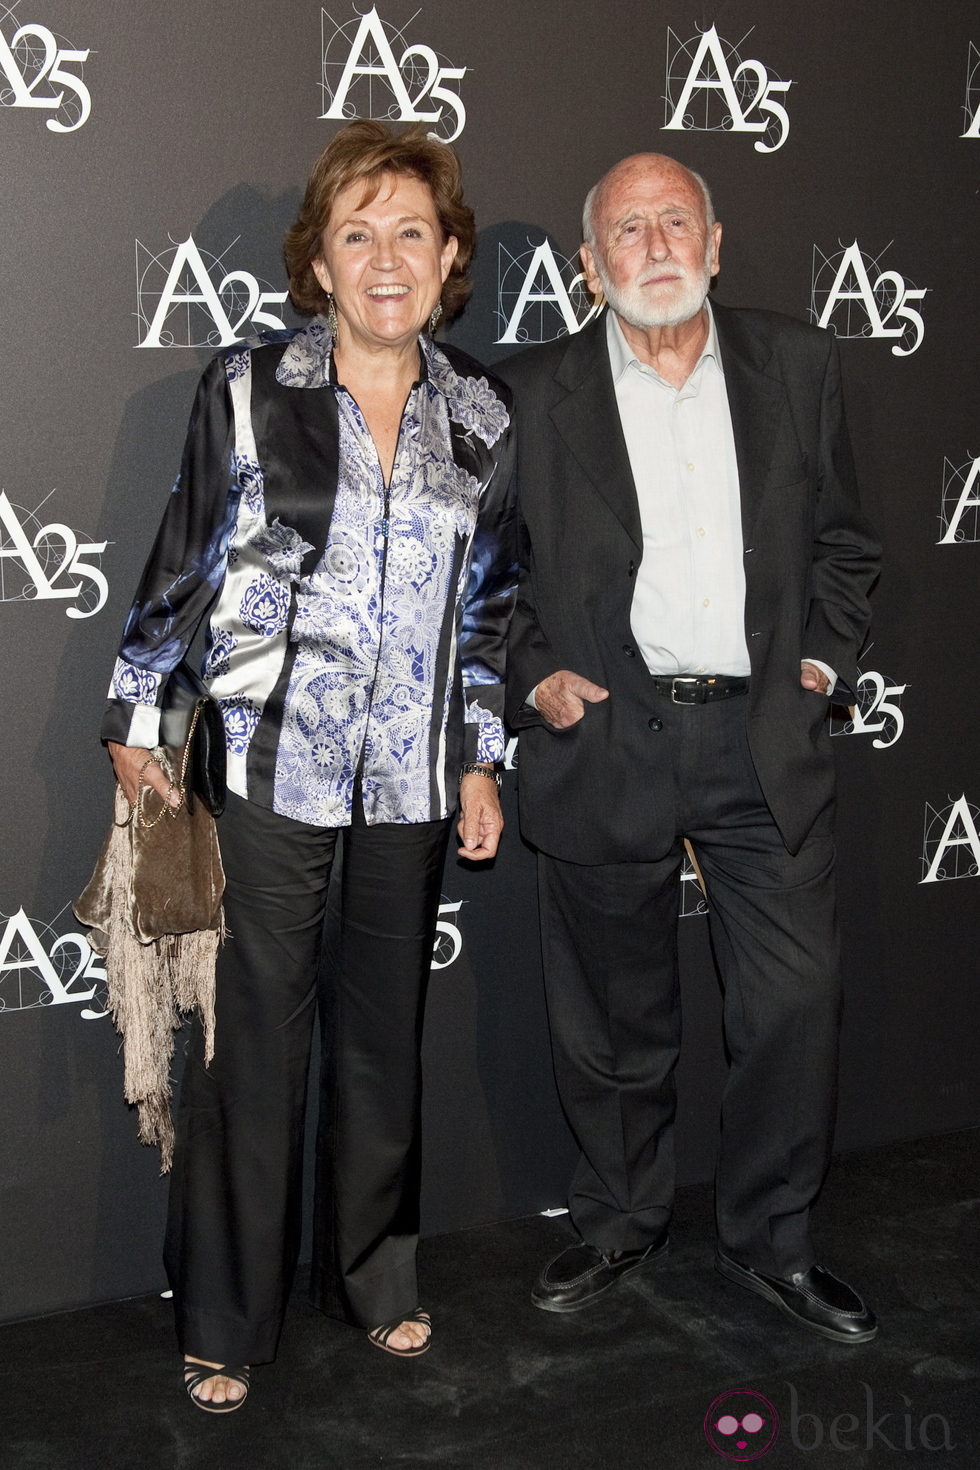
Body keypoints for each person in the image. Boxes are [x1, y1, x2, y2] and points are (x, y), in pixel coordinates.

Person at [103, 120, 516, 1409]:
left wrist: (478, 761)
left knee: (382, 1039)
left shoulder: (484, 412)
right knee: (251, 1051)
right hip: (269, 765)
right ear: (319, 264)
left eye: (411, 233)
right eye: (357, 234)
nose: (385, 258)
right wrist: (137, 712)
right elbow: (183, 558)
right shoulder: (247, 387)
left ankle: (373, 1274)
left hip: (407, 786)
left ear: (447, 259)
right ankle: (225, 1313)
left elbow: (488, 613)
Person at [499, 153, 881, 1343]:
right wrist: (530, 678)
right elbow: (486, 578)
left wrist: (817, 666)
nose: (654, 244)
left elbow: (843, 545)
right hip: (607, 731)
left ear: (714, 244)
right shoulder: (524, 392)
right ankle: (618, 1220)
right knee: (612, 1015)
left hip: (760, 735)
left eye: (675, 223)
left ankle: (771, 1240)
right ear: (588, 266)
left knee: (789, 1003)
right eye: (626, 230)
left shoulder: (799, 364)